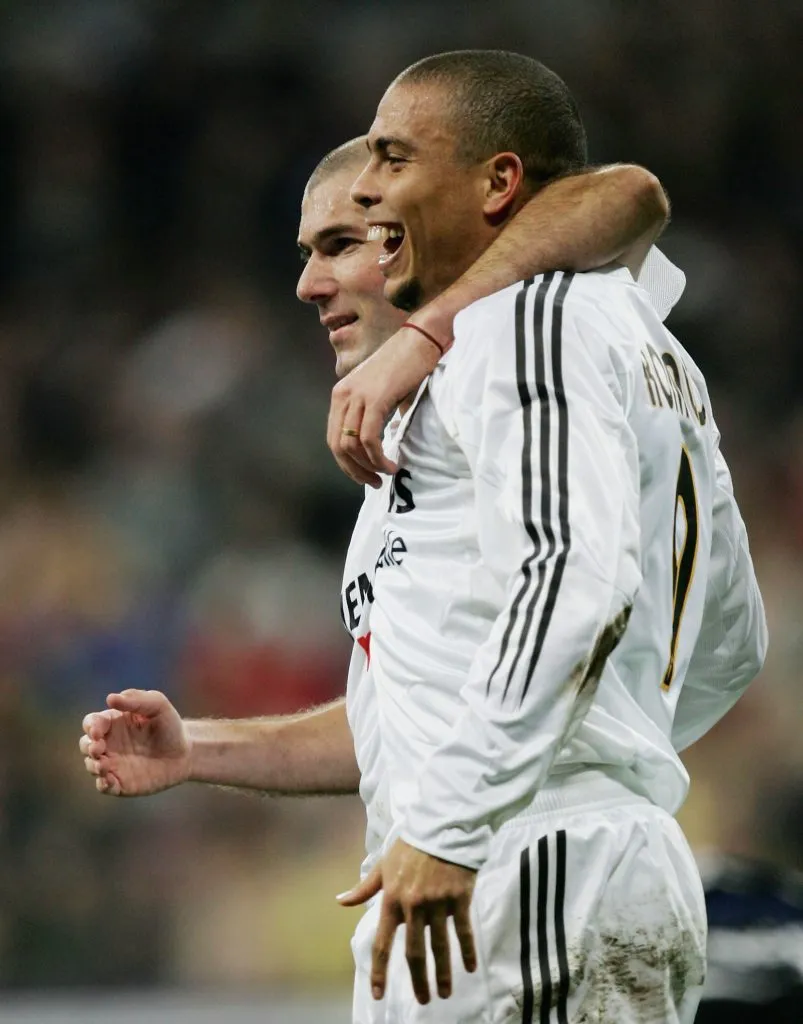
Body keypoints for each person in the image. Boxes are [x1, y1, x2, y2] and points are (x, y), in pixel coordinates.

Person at [80, 140, 684, 1008]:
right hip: (457, 879)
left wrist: (430, 331)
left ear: (417, 237)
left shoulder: (530, 339)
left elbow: (627, 195)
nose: (308, 284)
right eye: (305, 254)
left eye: (339, 244)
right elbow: (409, 722)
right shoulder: (404, 448)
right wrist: (201, 749)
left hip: (526, 863)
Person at [323, 50, 768, 1024]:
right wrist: (611, 744)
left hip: (522, 858)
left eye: (394, 157)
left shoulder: (527, 314)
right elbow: (731, 641)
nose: (368, 185)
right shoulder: (650, 346)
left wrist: (466, 812)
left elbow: (569, 574)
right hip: (551, 844)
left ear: (498, 180)